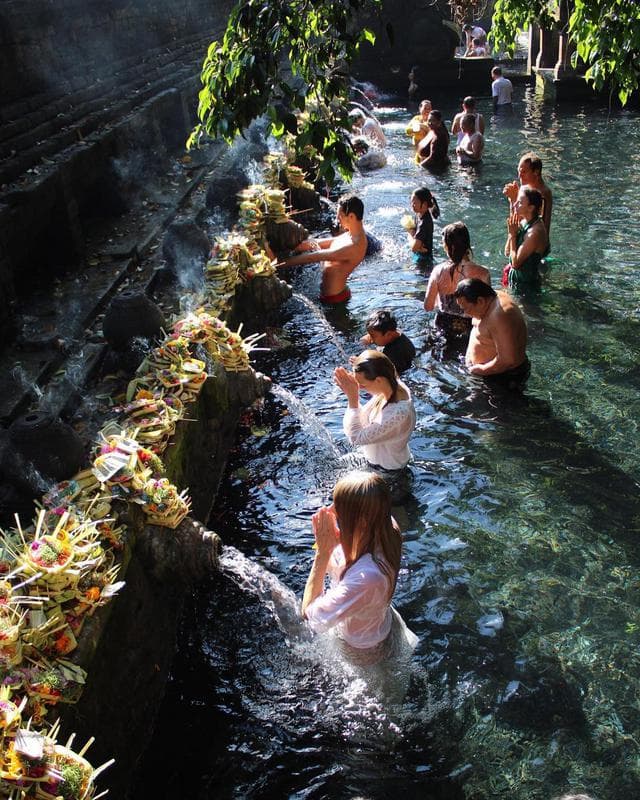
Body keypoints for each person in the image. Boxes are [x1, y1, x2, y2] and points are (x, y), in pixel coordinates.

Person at [301, 470, 416, 664]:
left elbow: (310, 617)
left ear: (360, 523)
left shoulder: (366, 578)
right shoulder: (388, 527)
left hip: (361, 650)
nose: (330, 510)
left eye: (338, 509)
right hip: (379, 624)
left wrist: (322, 551)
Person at [277, 194, 367, 304]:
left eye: (340, 216)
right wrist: (294, 245)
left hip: (336, 300)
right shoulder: (351, 234)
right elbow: (319, 243)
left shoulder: (355, 246)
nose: (337, 220)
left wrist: (279, 263)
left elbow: (314, 257)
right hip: (332, 295)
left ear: (351, 217)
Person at [334, 350, 416, 471]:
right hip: (377, 460)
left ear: (378, 380)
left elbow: (356, 438)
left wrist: (352, 398)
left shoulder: (398, 414)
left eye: (362, 384)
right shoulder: (393, 383)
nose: (359, 387)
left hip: (389, 472)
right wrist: (364, 365)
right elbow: (387, 366)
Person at [453, 278, 530, 391]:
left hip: (504, 377)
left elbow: (508, 360)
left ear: (480, 301)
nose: (465, 313)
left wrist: (480, 370)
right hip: (490, 373)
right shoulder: (489, 299)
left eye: (465, 308)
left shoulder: (500, 315)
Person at [424, 222, 491, 338]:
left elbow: (428, 306)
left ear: (448, 247)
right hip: (469, 329)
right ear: (467, 245)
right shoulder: (483, 273)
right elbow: (487, 311)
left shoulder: (438, 271)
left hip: (441, 325)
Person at [502, 186, 549, 292]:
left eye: (519, 202)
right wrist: (511, 235)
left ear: (531, 208)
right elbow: (507, 252)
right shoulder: (524, 221)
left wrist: (513, 235)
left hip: (526, 288)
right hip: (515, 281)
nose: (515, 204)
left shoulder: (534, 233)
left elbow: (515, 263)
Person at [503, 152, 553, 235]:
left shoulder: (542, 194)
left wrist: (514, 198)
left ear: (536, 172)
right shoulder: (525, 188)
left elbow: (523, 227)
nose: (519, 176)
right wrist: (512, 199)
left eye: (523, 172)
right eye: (519, 171)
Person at [360, 309, 416, 373]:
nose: (371, 339)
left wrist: (361, 363)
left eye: (372, 336)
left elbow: (381, 373)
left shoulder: (394, 354)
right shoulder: (394, 331)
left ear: (388, 334)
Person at [405, 187, 440, 262]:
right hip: (420, 254)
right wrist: (418, 246)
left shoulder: (424, 223)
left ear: (424, 204)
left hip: (424, 260)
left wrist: (409, 235)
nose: (412, 205)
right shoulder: (419, 214)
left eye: (414, 203)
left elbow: (413, 248)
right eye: (411, 202)